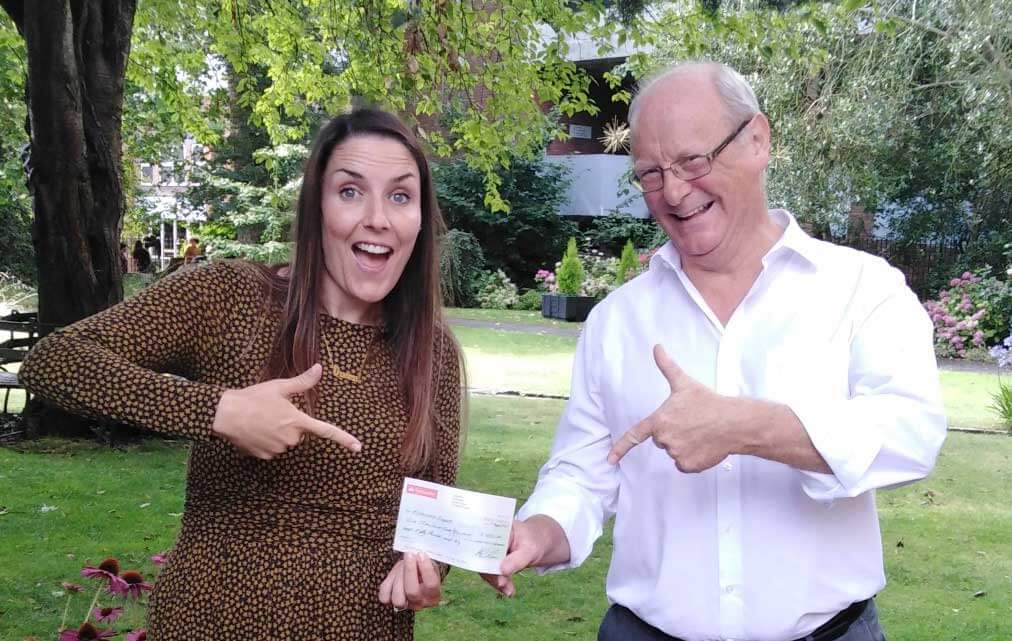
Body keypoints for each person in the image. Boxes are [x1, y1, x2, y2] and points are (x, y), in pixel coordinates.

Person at [483, 62, 946, 641]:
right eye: (651, 174)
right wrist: (539, 530)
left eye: (693, 161)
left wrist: (743, 426)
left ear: (758, 140)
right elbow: (583, 472)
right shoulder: (616, 321)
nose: (674, 192)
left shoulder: (862, 288)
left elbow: (911, 433)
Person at [21, 108, 466, 641]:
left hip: (365, 627)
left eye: (400, 196)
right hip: (210, 621)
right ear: (316, 207)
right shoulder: (231, 297)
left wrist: (426, 571)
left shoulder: (431, 350)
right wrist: (219, 411)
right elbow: (55, 359)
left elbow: (436, 513)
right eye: (350, 191)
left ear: (420, 219)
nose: (378, 218)